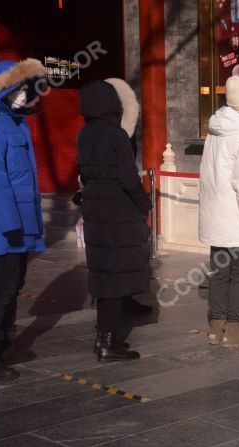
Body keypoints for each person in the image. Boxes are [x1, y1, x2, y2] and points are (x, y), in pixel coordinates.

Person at [0, 59, 48, 381]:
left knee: (13, 284)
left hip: (18, 221)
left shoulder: (13, 122)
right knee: (1, 286)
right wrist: (10, 224)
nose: (27, 94)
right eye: (20, 87)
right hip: (2, 224)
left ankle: (3, 344)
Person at [77, 79, 151, 362]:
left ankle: (103, 336)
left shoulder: (84, 134)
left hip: (96, 210)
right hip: (119, 212)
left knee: (104, 272)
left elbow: (85, 173)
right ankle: (107, 341)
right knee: (117, 276)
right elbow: (129, 179)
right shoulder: (116, 135)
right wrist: (144, 205)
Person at [199, 76, 239, 347]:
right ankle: (234, 332)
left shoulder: (215, 130)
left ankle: (216, 328)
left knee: (218, 273)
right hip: (236, 219)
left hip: (214, 215)